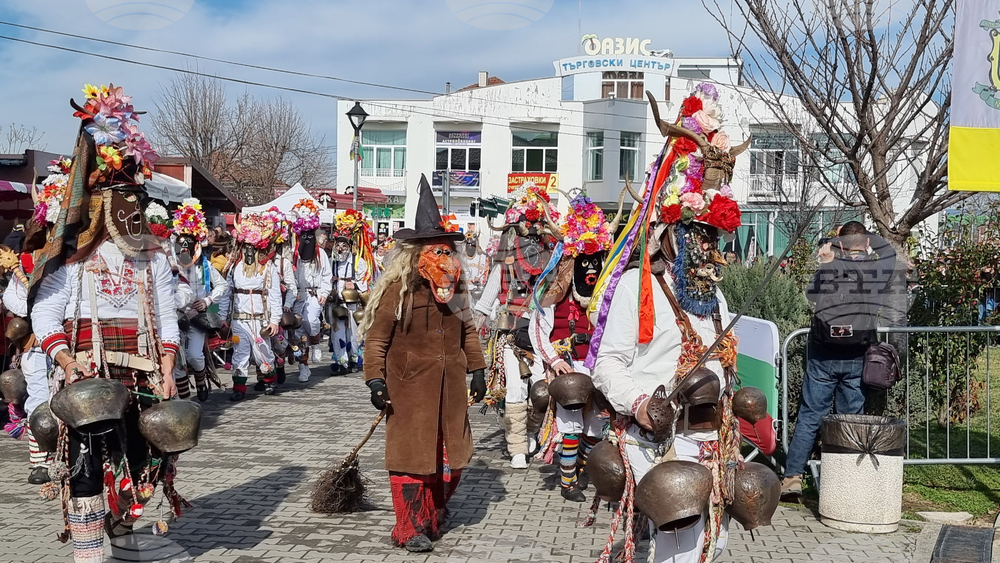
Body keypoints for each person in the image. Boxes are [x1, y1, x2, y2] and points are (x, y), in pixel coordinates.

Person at [591, 83, 750, 563]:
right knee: (681, 545)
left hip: (711, 438)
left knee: (714, 544)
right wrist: (639, 405)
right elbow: (607, 366)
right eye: (698, 235)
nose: (709, 248)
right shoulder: (639, 286)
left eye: (715, 238)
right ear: (670, 235)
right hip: (656, 439)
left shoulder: (716, 296)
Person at [30, 83, 184, 563]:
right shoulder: (71, 261)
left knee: (141, 462)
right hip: (86, 375)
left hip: (139, 374)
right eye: (119, 198)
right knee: (86, 469)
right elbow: (45, 312)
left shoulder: (152, 258)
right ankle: (89, 554)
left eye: (133, 198)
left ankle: (120, 537)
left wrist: (167, 366)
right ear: (97, 202)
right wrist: (64, 357)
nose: (128, 209)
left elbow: (166, 316)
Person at [359, 175, 486, 553]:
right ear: (418, 254)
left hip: (450, 389)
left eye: (449, 251)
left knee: (452, 458)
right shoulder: (398, 290)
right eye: (437, 252)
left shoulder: (457, 289)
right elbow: (376, 338)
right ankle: (407, 527)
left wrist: (477, 370)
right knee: (412, 458)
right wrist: (375, 380)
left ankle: (434, 512)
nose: (445, 258)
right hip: (410, 387)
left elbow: (469, 333)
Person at [781, 220, 897, 496]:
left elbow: (811, 295)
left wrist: (829, 258)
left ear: (840, 243)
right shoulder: (876, 270)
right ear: (867, 243)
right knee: (849, 418)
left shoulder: (829, 265)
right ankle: (844, 481)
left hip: (823, 353)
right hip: (857, 353)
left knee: (810, 416)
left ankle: (793, 477)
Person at [528, 193, 623, 502]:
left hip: (598, 367)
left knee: (596, 427)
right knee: (571, 425)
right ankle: (568, 481)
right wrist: (554, 360)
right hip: (568, 366)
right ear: (572, 263)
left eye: (597, 263)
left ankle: (582, 470)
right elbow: (537, 330)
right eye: (585, 263)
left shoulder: (608, 298)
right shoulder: (554, 295)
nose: (591, 270)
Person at [474, 182, 557, 469]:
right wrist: (472, 336)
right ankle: (517, 446)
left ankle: (532, 430)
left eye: (536, 231)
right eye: (526, 231)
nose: (531, 239)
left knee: (542, 389)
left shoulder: (551, 263)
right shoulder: (504, 261)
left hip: (541, 334)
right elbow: (485, 302)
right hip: (510, 335)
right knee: (515, 391)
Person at [2, 247, 53, 484]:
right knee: (38, 398)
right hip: (36, 343)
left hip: (70, 339)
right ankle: (41, 461)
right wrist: (31, 306)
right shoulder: (25, 262)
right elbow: (10, 297)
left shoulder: (72, 258)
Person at [219, 213, 282, 400]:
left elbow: (275, 295)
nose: (248, 252)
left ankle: (270, 381)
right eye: (245, 247)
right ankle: (239, 389)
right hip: (240, 319)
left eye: (252, 248)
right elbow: (226, 294)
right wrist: (223, 316)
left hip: (261, 319)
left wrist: (275, 320)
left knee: (263, 351)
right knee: (240, 352)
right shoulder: (234, 267)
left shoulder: (268, 268)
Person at [171, 198, 229, 402]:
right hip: (176, 318)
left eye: (189, 241)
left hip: (197, 317)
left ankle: (201, 378)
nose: (185, 247)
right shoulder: (172, 265)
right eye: (182, 242)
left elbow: (223, 285)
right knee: (178, 361)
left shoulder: (204, 265)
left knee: (195, 356)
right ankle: (185, 402)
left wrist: (207, 300)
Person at [289, 199, 332, 382]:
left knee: (311, 319)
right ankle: (303, 367)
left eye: (310, 235)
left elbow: (326, 276)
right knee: (298, 331)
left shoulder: (321, 254)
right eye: (303, 235)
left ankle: (316, 342)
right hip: (298, 295)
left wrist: (324, 293)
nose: (307, 239)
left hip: (314, 294)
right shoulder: (293, 253)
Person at [330, 210, 373, 375]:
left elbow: (364, 281)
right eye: (338, 245)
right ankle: (341, 361)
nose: (340, 249)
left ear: (350, 246)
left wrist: (354, 284)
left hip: (352, 303)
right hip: (336, 303)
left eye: (344, 245)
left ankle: (355, 359)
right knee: (337, 331)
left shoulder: (358, 262)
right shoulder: (332, 262)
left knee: (354, 332)